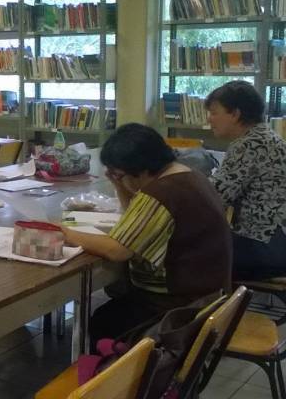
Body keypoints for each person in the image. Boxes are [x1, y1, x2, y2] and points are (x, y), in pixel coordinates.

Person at [61, 123, 231, 345]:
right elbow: (134, 216)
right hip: (208, 296)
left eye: (119, 173)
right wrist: (120, 183)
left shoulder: (162, 192)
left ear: (140, 169)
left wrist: (65, 233)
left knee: (104, 322)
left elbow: (117, 250)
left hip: (180, 306)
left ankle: (119, 366)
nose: (117, 178)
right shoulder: (187, 175)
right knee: (114, 307)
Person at [205, 80, 286, 280]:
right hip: (276, 241)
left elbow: (215, 197)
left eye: (214, 112)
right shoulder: (268, 137)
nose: (209, 119)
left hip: (266, 245)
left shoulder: (249, 144)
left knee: (189, 254)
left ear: (235, 114)